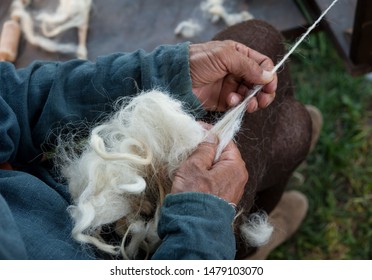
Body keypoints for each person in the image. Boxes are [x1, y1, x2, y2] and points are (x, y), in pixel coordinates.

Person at [0, 19, 317, 260]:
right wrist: (202, 220)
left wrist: (166, 75)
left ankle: (250, 219)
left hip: (55, 189)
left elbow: (12, 98)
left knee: (260, 39)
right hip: (115, 251)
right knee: (295, 129)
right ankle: (244, 250)